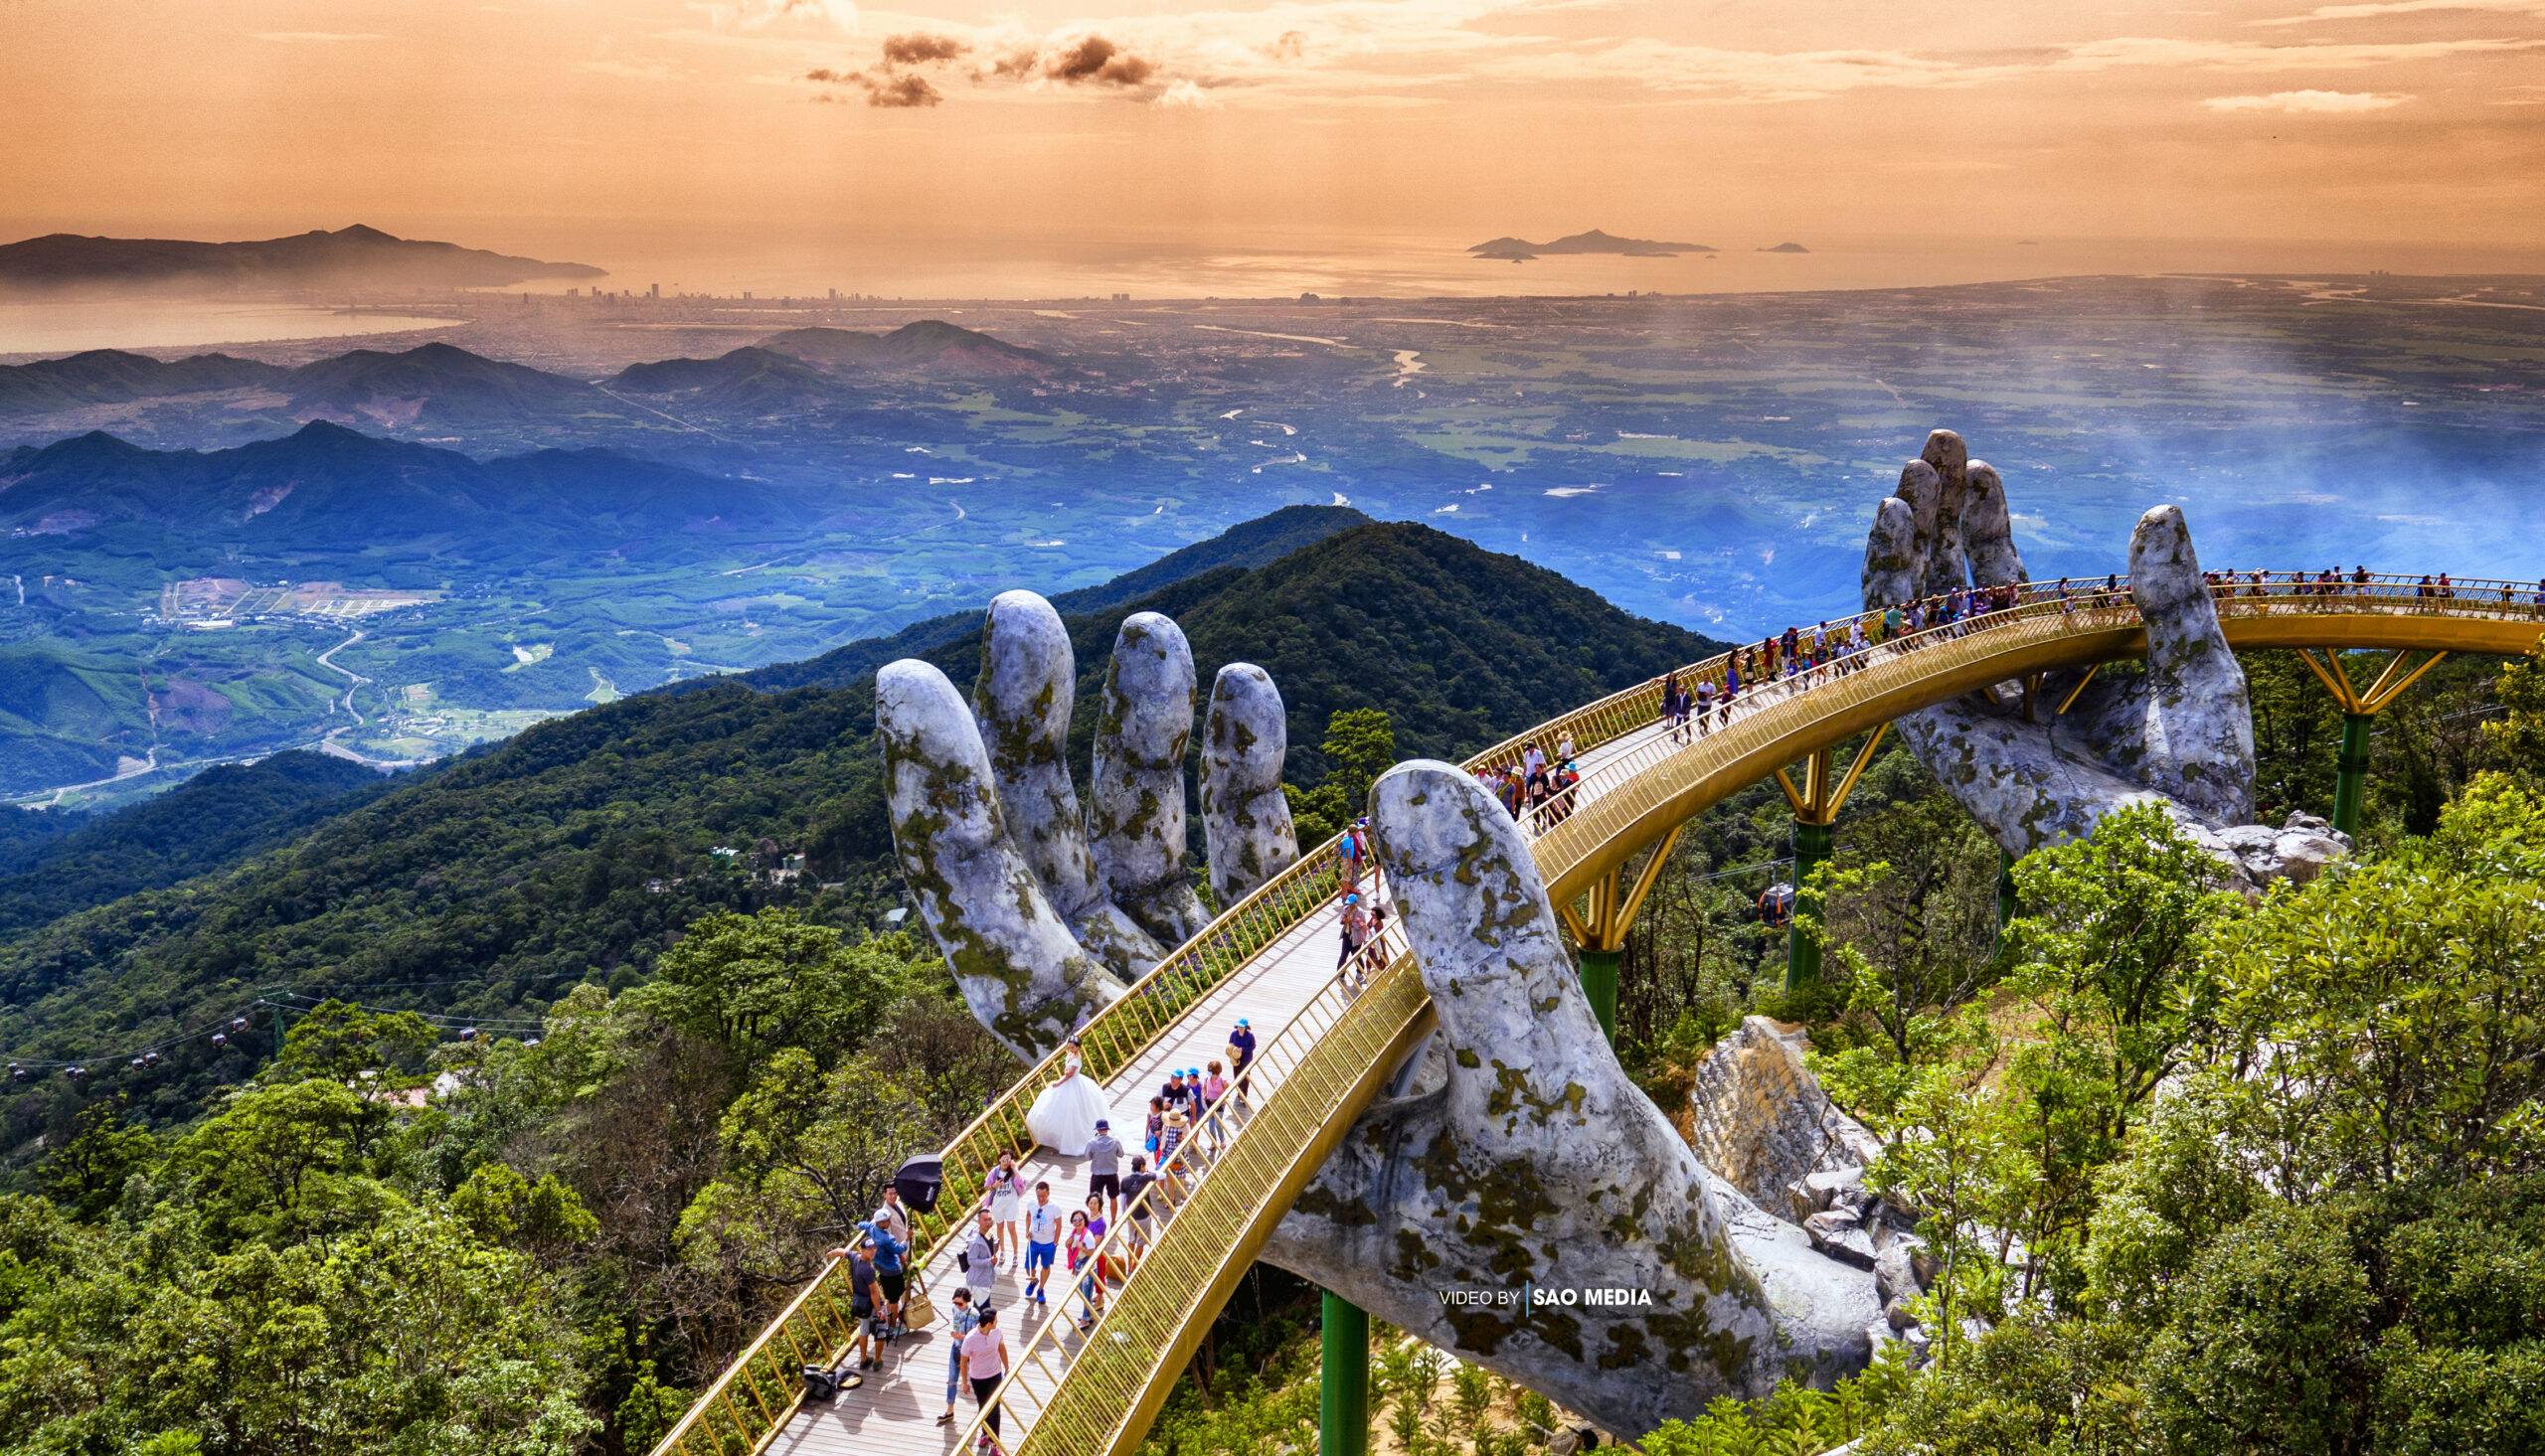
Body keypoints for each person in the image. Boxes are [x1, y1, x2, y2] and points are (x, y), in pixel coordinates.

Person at [1025, 1034, 1107, 1156]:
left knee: (1073, 1110)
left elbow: (1070, 1075)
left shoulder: (1077, 1058)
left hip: (1073, 1083)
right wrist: (1064, 1073)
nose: (1070, 1049)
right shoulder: (1070, 1055)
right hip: (1068, 1081)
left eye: (1072, 1047)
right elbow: (1067, 1071)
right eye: (1069, 1047)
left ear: (1077, 1047)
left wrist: (1058, 1083)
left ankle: (1073, 1137)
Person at [962, 1306, 1008, 1452]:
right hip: (978, 1377)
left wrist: (1007, 1367)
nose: (997, 1322)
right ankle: (985, 1432)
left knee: (994, 1408)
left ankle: (995, 1442)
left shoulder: (997, 1332)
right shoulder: (970, 1338)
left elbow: (1002, 1348)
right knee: (983, 1407)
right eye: (995, 1320)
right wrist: (964, 1382)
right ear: (989, 1324)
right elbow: (963, 1361)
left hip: (994, 1374)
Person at [937, 1286, 981, 1426]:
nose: (957, 1306)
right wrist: (955, 1334)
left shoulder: (974, 1314)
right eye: (955, 1303)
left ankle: (982, 1408)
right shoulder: (954, 1309)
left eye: (960, 1303)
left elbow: (975, 1336)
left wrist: (962, 1336)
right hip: (956, 1347)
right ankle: (949, 1410)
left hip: (970, 1351)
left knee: (976, 1381)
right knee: (951, 1379)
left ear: (967, 1301)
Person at [1118, 1154, 1157, 1271]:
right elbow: (1160, 1175)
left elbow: (1123, 1200)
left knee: (1131, 1240)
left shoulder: (1125, 1180)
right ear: (1141, 1166)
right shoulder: (1146, 1178)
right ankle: (1134, 1265)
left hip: (1131, 1215)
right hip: (1144, 1215)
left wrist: (1125, 1214)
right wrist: (1148, 1171)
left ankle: (1129, 1264)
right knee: (1140, 1243)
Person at [1024, 1181, 1061, 1306]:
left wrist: (1055, 1242)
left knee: (1045, 1266)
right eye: (1038, 1196)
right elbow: (1028, 1215)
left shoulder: (1054, 1207)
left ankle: (1041, 1289)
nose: (1040, 1199)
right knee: (1029, 1267)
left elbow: (1059, 1224)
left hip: (1048, 1243)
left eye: (1043, 1196)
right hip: (1033, 1241)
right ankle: (1033, 1280)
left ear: (1048, 1194)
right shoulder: (1031, 1203)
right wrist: (1027, 1230)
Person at [985, 1150, 1024, 1269]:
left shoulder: (1013, 1172)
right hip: (998, 1204)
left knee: (1012, 1228)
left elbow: (1021, 1182)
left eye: (1009, 1160)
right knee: (1000, 1227)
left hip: (1011, 1203)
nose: (1006, 1162)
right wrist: (994, 1185)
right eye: (1004, 1160)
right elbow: (987, 1186)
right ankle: (1002, 1251)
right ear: (999, 1159)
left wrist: (1014, 1168)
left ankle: (1016, 1254)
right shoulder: (995, 1172)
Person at [1085, 1118, 1122, 1222]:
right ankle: (1113, 1221)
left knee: (1096, 1199)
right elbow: (1121, 1154)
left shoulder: (1092, 1143)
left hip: (1097, 1174)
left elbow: (1087, 1157)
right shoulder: (1115, 1141)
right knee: (1113, 1197)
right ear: (1107, 1129)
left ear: (1097, 1130)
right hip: (1112, 1174)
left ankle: (1098, 1221)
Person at [963, 1208, 998, 1307]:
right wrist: (989, 1261)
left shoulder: (989, 1232)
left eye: (990, 1219)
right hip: (979, 1279)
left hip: (987, 1276)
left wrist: (995, 1247)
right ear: (978, 1221)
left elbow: (990, 1248)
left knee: (983, 1305)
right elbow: (971, 1261)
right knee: (982, 1306)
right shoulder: (975, 1242)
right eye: (985, 1220)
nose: (988, 1222)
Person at [1228, 1017, 1257, 1099]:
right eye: (1239, 1027)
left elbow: (1253, 1046)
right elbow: (1230, 1044)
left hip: (1246, 1059)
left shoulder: (1250, 1036)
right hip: (1236, 1059)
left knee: (1245, 1078)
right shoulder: (1234, 1034)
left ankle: (1243, 1095)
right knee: (1237, 1076)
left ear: (1246, 1027)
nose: (1240, 1029)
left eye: (1242, 1027)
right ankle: (1239, 1091)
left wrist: (1243, 1049)